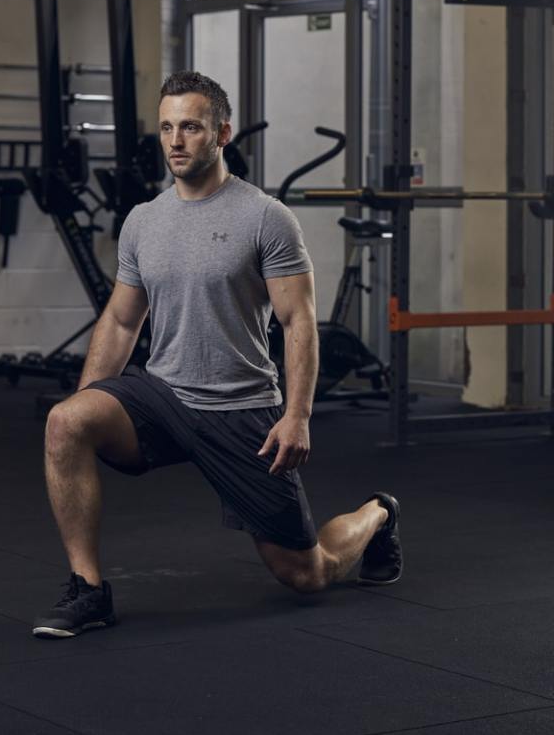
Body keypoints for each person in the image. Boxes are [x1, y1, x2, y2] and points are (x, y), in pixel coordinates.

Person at [33, 70, 402, 638]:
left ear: (222, 133)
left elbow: (296, 319)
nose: (175, 141)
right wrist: (91, 400)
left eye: (190, 127)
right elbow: (123, 318)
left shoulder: (265, 217)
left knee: (306, 574)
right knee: (65, 422)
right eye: (166, 128)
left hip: (241, 410)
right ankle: (88, 590)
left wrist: (297, 414)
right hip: (161, 396)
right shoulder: (143, 220)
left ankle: (377, 515)